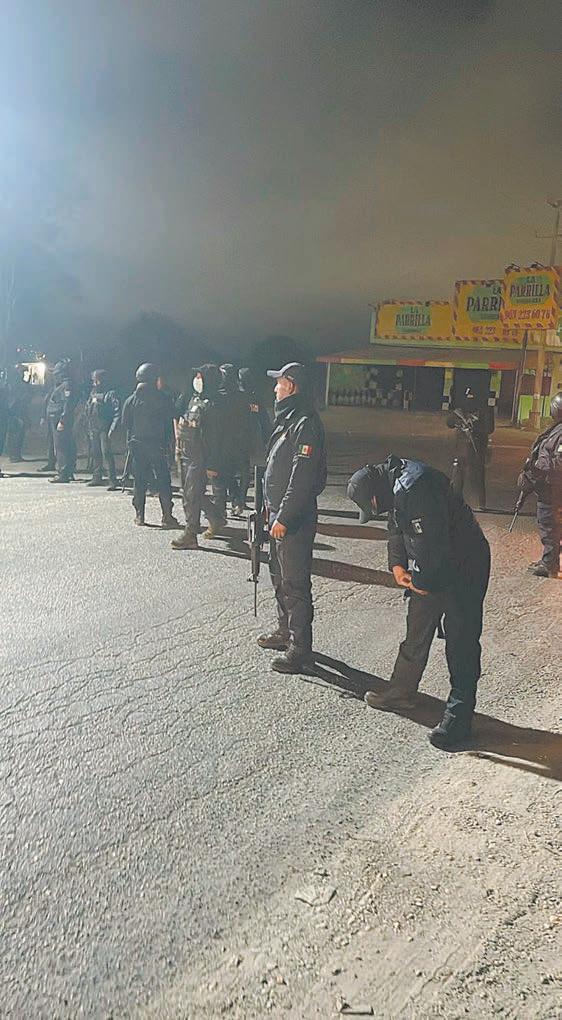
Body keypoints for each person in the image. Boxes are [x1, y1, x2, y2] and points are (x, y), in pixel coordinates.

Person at [347, 454, 490, 749]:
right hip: (433, 565)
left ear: (375, 495)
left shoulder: (415, 487)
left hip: (465, 566)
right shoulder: (391, 484)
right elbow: (396, 526)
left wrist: (422, 582)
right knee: (416, 632)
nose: (375, 511)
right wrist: (397, 565)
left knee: (461, 641)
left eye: (371, 506)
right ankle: (401, 691)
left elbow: (432, 543)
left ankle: (458, 719)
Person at [258, 362, 327, 674]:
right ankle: (285, 630)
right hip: (277, 513)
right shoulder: (288, 419)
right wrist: (268, 508)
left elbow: (302, 478)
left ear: (293, 386)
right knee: (279, 575)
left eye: (280, 383)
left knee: (295, 584)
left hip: (294, 518)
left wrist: (284, 516)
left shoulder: (305, 423)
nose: (275, 388)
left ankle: (300, 649)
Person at [171, 364, 225, 550]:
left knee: (191, 494)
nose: (197, 380)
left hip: (201, 456)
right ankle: (216, 517)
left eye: (200, 376)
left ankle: (190, 533)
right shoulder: (194, 398)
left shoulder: (213, 405)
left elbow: (216, 438)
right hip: (188, 452)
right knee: (191, 493)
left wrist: (212, 464)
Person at [121, 363, 180, 528]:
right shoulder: (163, 399)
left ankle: (140, 516)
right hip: (158, 445)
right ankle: (167, 516)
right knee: (163, 481)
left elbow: (125, 423)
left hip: (137, 446)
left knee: (139, 481)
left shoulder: (131, 400)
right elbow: (173, 417)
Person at [518, 391, 562, 578]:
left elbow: (559, 461)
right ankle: (550, 560)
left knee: (548, 523)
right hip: (547, 485)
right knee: (549, 523)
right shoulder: (556, 429)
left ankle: (549, 564)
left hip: (554, 487)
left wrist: (537, 465)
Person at [446, 387, 494, 510]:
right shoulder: (460, 412)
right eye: (468, 399)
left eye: (472, 399)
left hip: (477, 449)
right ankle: (454, 502)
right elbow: (449, 422)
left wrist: (475, 427)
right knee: (457, 477)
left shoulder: (484, 412)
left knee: (478, 477)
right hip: (461, 450)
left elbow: (490, 428)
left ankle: (480, 503)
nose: (469, 402)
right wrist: (459, 422)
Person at [216, 363, 251, 516]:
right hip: (241, 440)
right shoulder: (243, 396)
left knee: (225, 473)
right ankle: (238, 501)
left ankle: (223, 506)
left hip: (225, 441)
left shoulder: (219, 397)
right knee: (241, 473)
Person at [238, 367, 271, 507]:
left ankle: (238, 500)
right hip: (245, 438)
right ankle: (239, 500)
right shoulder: (253, 397)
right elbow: (264, 420)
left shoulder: (243, 397)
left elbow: (263, 419)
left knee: (240, 469)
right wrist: (267, 437)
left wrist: (267, 437)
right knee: (243, 469)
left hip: (239, 438)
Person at [84, 370, 121, 489]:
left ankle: (112, 480)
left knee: (106, 453)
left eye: (97, 380)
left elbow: (117, 412)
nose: (95, 383)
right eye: (94, 380)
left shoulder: (110, 394)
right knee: (95, 453)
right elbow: (88, 407)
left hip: (105, 427)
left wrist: (113, 429)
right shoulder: (93, 393)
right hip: (93, 427)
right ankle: (97, 477)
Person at [46, 360, 79, 484]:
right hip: (56, 418)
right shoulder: (61, 385)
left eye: (56, 373)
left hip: (60, 420)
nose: (54, 376)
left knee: (61, 447)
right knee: (64, 445)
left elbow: (67, 405)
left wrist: (62, 420)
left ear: (61, 373)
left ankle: (63, 473)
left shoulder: (66, 386)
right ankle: (67, 471)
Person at [5, 367, 32, 461]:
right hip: (16, 412)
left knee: (19, 434)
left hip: (20, 411)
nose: (23, 375)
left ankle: (16, 454)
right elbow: (14, 400)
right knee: (15, 434)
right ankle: (14, 455)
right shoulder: (13, 385)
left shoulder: (20, 384)